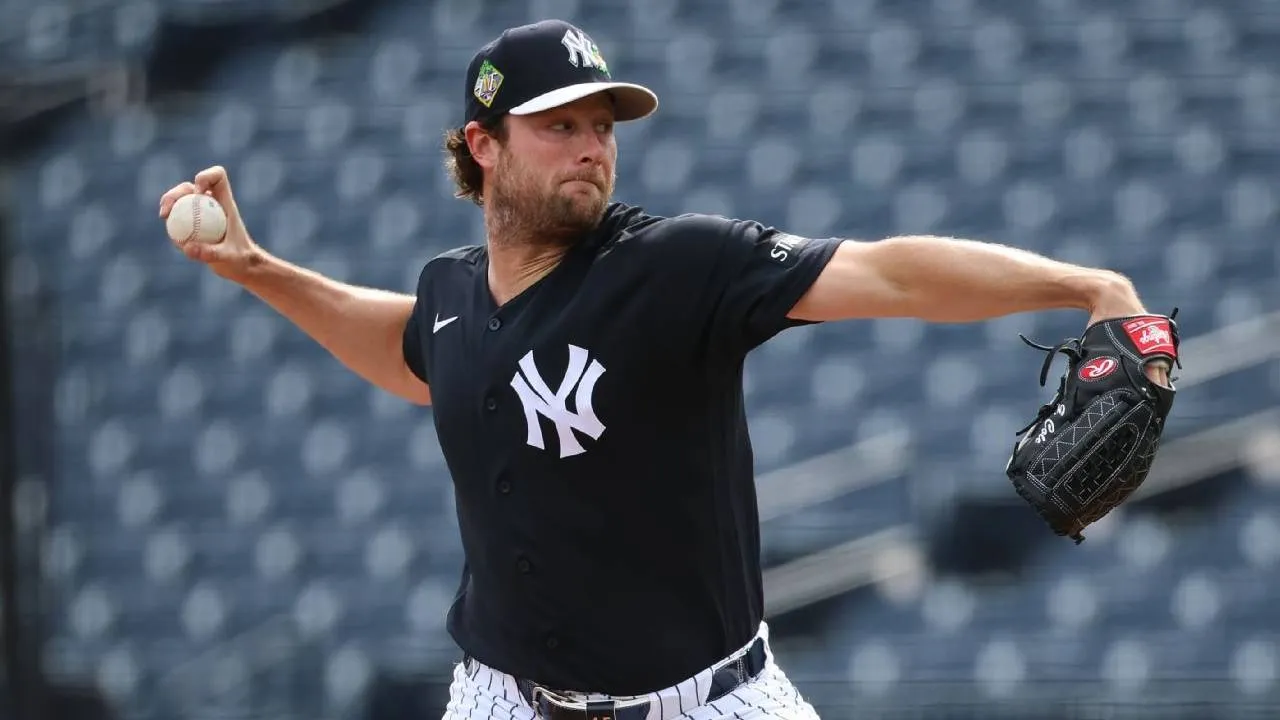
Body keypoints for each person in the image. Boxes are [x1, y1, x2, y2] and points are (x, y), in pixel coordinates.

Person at [159, 18, 1169, 720]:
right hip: (500, 697)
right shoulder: (453, 294)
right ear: (484, 145)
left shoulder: (675, 267)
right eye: (559, 125)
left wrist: (1082, 284)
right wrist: (255, 271)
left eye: (602, 125)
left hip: (710, 701)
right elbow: (408, 350)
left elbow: (887, 274)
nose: (591, 146)